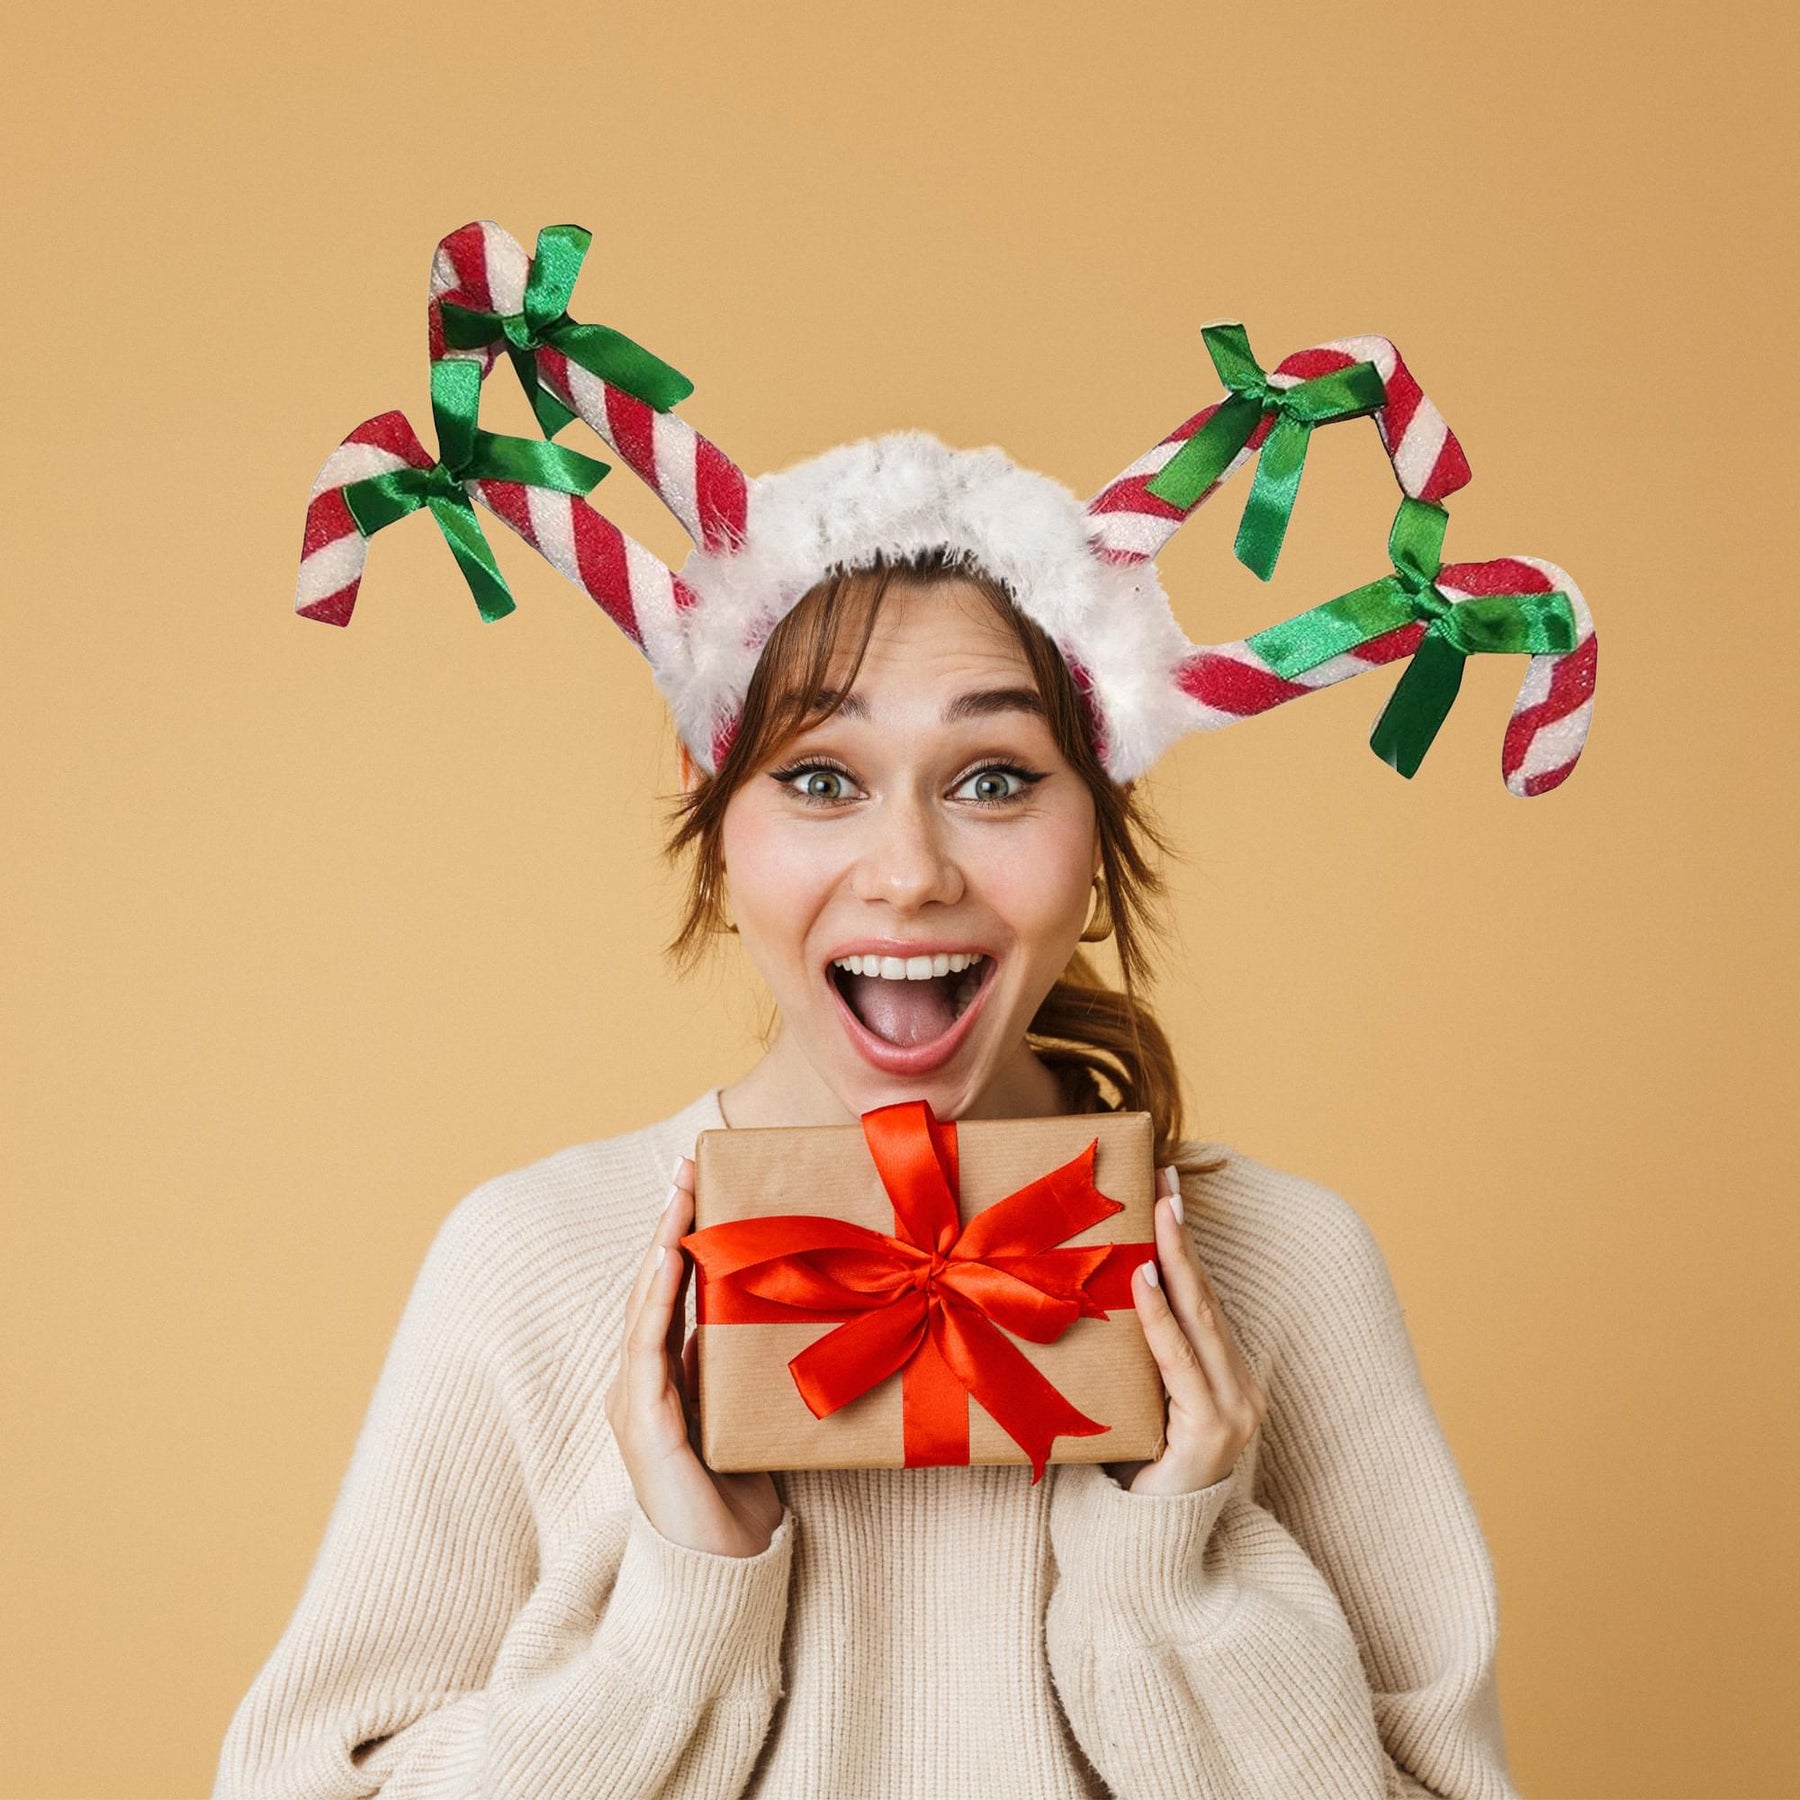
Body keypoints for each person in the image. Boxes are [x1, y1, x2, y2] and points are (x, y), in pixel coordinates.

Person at [224, 221, 1588, 1794]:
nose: (909, 870)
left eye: (997, 779)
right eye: (820, 779)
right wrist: (679, 1605)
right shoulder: (530, 1265)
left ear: (1101, 817)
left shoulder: (1287, 1270)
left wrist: (1173, 1562)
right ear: (713, 805)